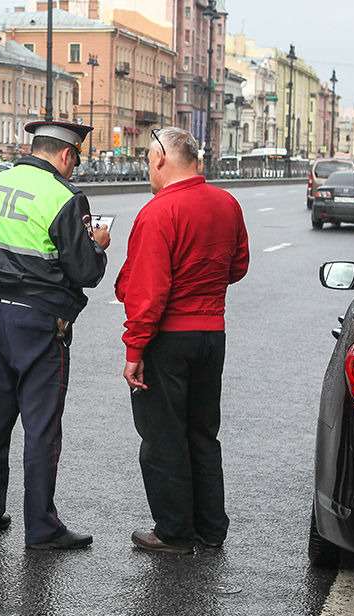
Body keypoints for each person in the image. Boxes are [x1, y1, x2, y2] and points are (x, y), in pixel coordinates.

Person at [0, 121, 110, 550]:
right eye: (75, 161)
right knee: (41, 427)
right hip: (42, 322)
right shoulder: (64, 197)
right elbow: (85, 271)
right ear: (66, 155)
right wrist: (97, 244)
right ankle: (41, 528)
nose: (74, 170)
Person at [115, 127, 249, 554]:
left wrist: (135, 350)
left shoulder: (158, 212)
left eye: (147, 164)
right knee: (203, 432)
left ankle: (173, 532)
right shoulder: (227, 203)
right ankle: (211, 529)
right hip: (212, 336)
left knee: (163, 436)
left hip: (168, 339)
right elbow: (238, 266)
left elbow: (147, 292)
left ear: (159, 161)